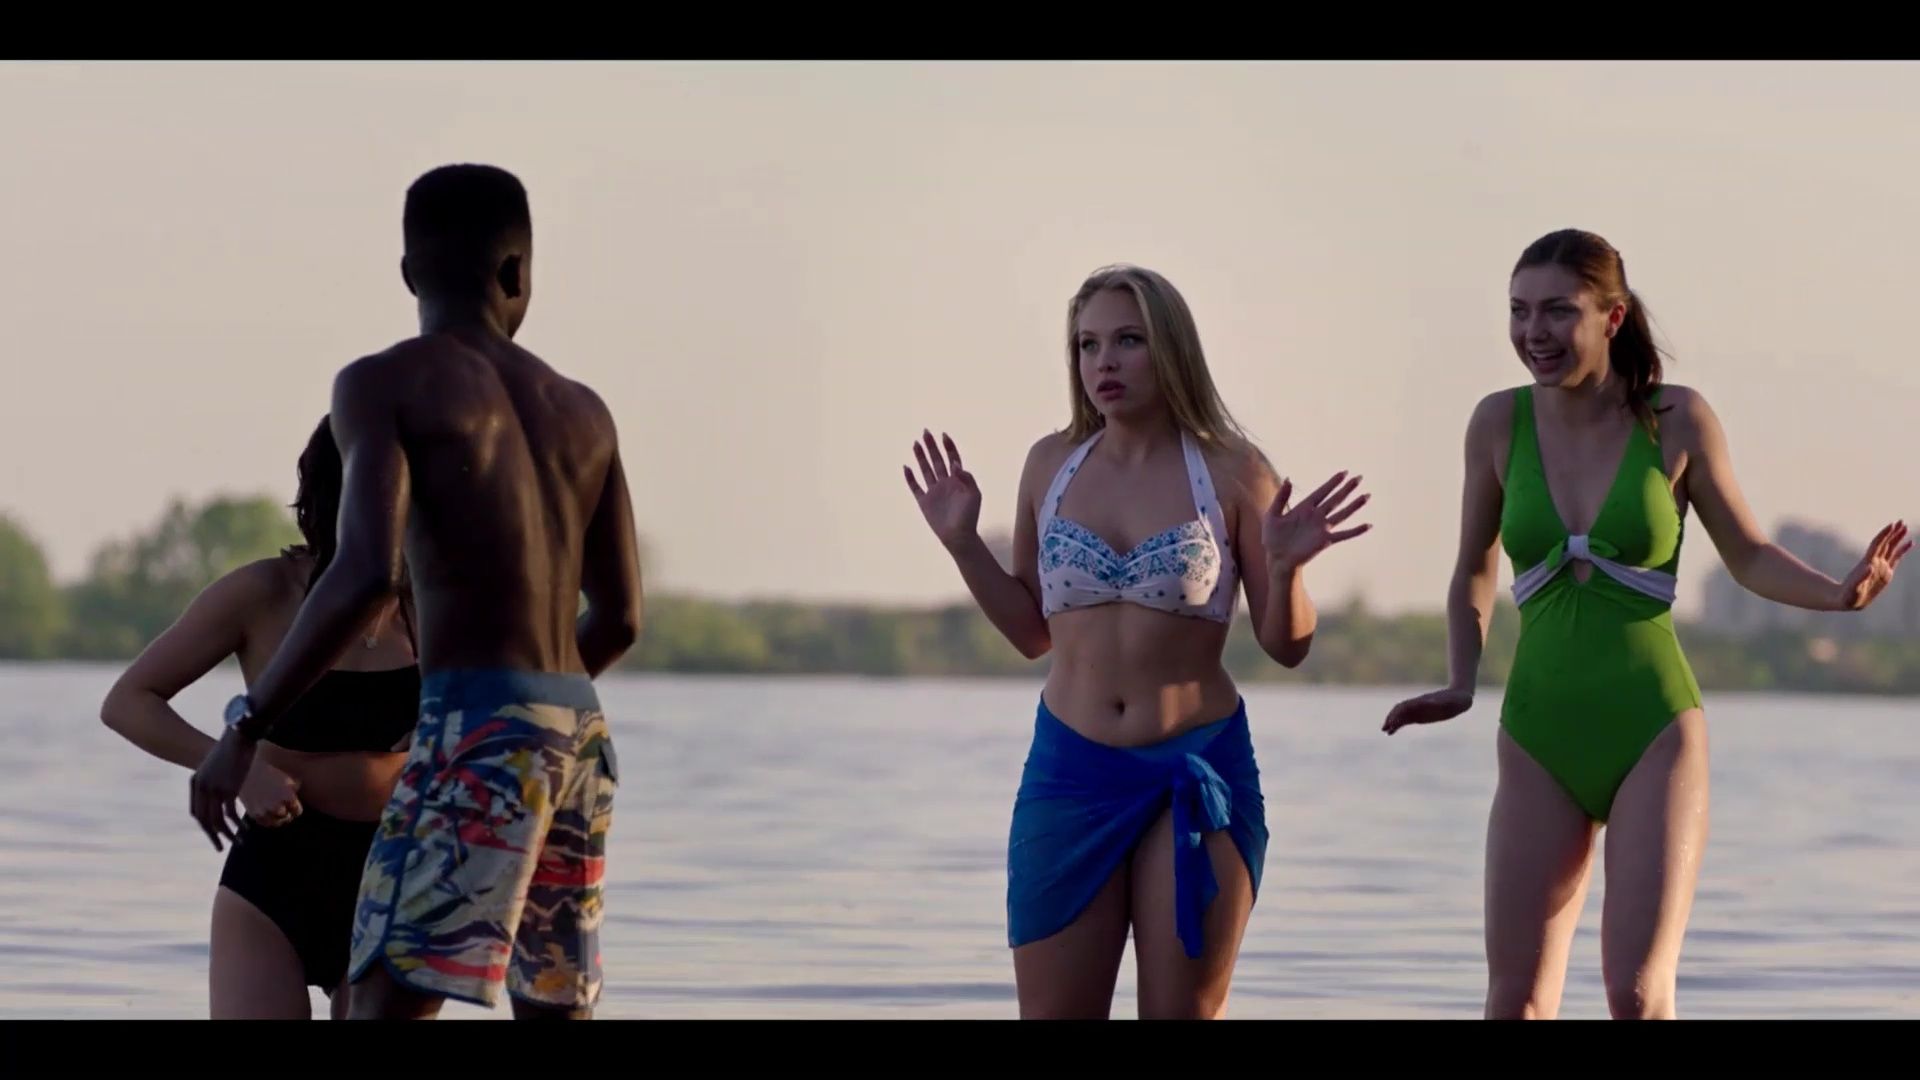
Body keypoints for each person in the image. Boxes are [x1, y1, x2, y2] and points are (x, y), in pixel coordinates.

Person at [1382, 228, 1911, 1020]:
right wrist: (1461, 680)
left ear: (1614, 316)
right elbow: (1474, 569)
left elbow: (1748, 554)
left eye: (1558, 311)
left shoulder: (1678, 418)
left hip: (1653, 729)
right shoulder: (1496, 423)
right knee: (1515, 1002)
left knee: (1635, 997)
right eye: (1519, 311)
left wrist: (1839, 596)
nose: (1533, 332)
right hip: (1537, 732)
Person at [186, 163, 645, 1021]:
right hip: (580, 736)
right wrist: (534, 713)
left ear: (407, 274)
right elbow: (620, 618)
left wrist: (246, 726)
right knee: (554, 1005)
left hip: (475, 721)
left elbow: (366, 573)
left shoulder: (383, 382)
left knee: (382, 1001)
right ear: (517, 272)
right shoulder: (584, 411)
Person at [904, 263, 1372, 1019]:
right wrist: (962, 544)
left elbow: (1287, 646)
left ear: (1172, 348)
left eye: (1128, 340)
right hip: (1071, 769)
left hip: (1196, 762)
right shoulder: (1050, 464)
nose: (1104, 362)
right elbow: (1030, 634)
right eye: (1087, 345)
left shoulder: (1233, 470)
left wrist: (1286, 570)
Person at [101, 416, 421, 1020]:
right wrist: (238, 768)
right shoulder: (262, 593)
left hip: (397, 871)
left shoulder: (432, 602)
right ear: (333, 492)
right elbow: (129, 701)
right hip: (274, 877)